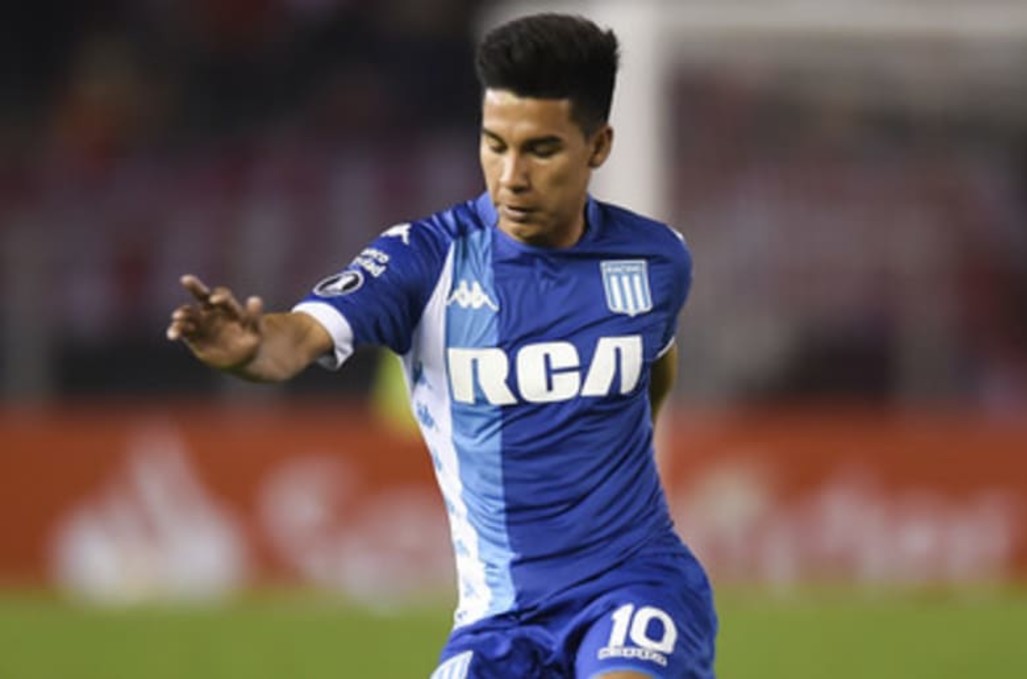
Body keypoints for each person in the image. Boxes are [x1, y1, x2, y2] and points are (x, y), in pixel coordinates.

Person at [166, 13, 716, 679]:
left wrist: (620, 458)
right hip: (499, 618)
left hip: (635, 583)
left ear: (597, 146)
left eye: (541, 150)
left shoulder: (656, 259)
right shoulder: (424, 260)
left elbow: (655, 365)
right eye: (494, 144)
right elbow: (298, 338)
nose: (511, 176)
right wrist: (250, 346)